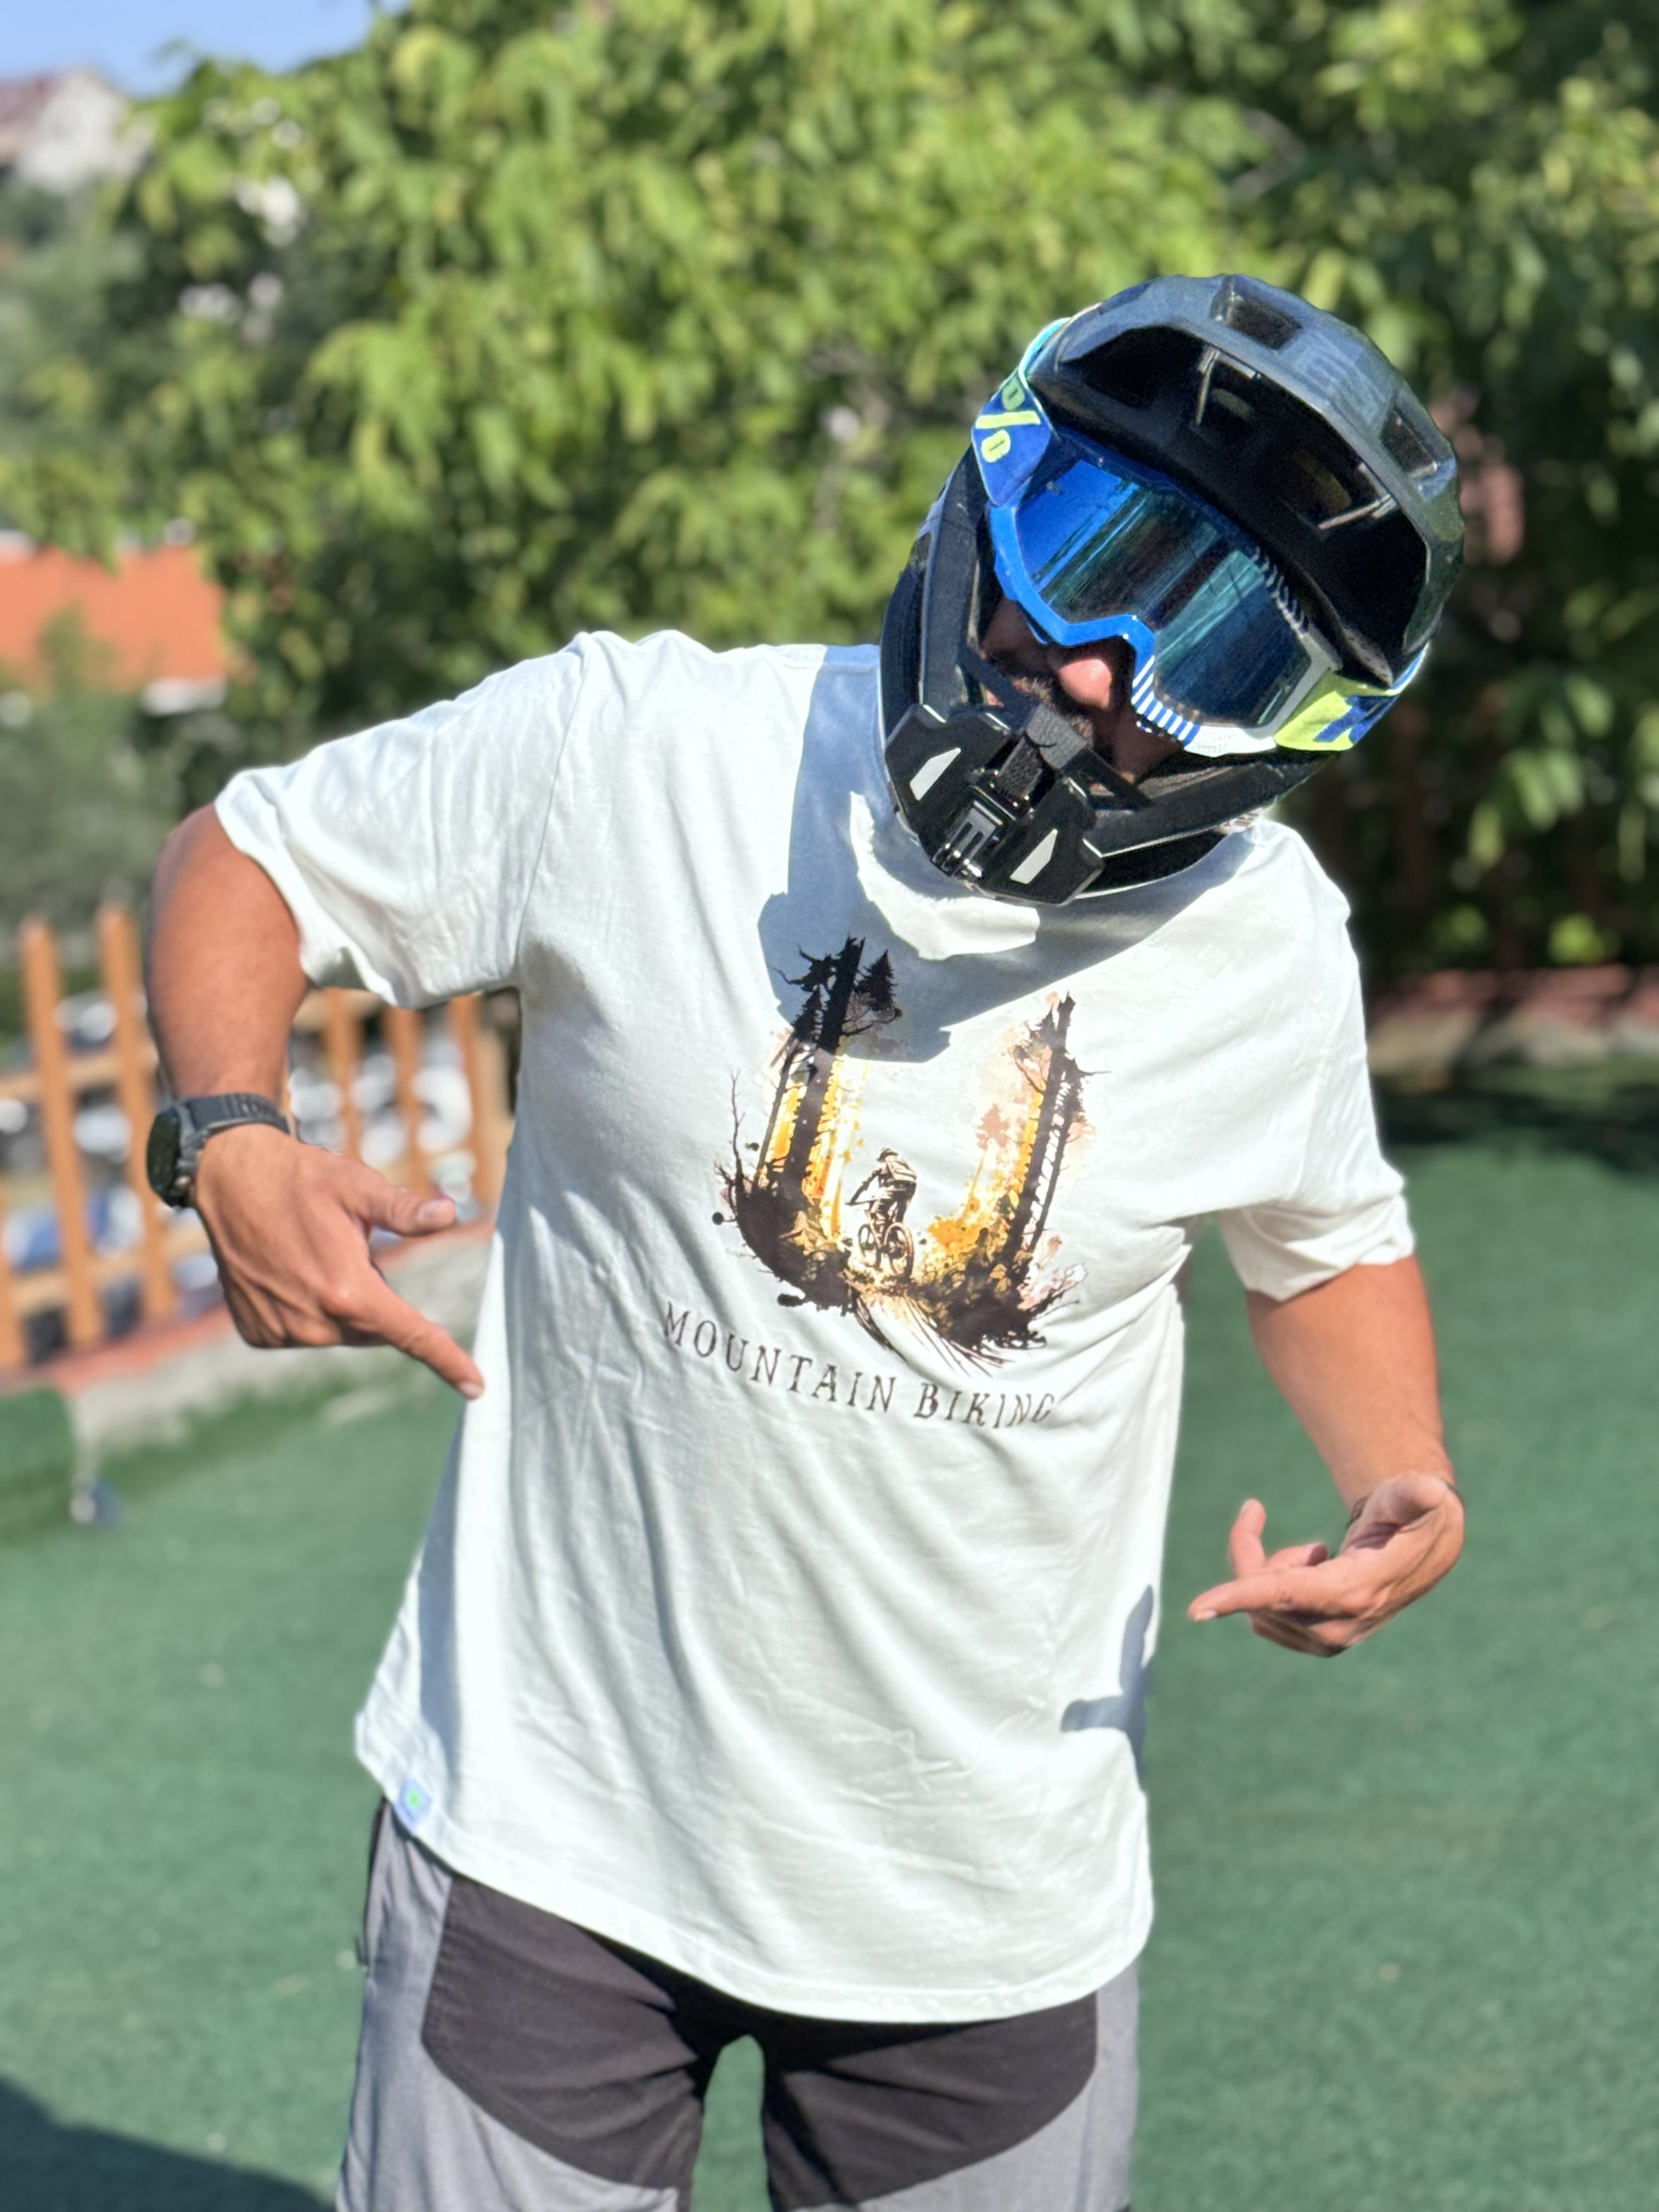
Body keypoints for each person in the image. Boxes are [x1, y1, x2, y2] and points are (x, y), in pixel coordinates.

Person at [144, 273, 1467, 2212]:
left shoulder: (1265, 950)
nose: (1104, 669)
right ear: (991, 485)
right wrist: (229, 1135)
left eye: (1224, 651)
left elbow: (1326, 1239)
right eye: (1094, 554)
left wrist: (1402, 1477)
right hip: (549, 1824)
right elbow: (250, 855)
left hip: (987, 1904)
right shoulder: (643, 747)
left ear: (1301, 731)